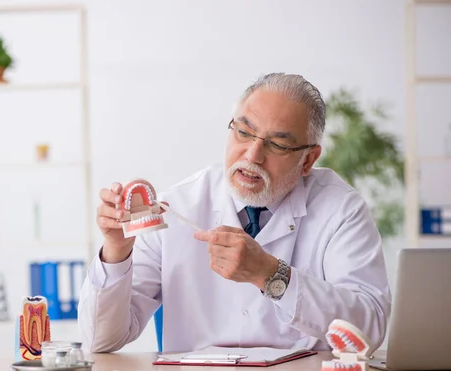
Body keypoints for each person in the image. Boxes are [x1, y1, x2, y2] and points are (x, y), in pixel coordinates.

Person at [77, 73, 392, 353]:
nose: (252, 155)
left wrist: (270, 274)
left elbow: (369, 329)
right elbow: (100, 341)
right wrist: (116, 252)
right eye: (243, 132)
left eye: (278, 145)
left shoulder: (341, 210)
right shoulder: (178, 205)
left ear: (308, 160)